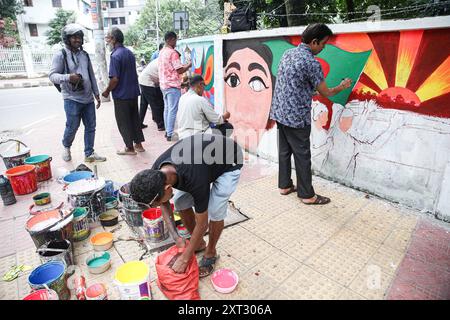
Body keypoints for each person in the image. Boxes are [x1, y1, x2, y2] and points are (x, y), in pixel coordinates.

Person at [129, 133, 243, 277]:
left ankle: (211, 252)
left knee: (215, 211)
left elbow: (203, 224)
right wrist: (176, 237)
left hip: (229, 159)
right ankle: (199, 243)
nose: (158, 206)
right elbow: (164, 203)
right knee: (180, 202)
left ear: (167, 188)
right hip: (205, 158)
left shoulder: (195, 178)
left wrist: (185, 258)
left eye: (155, 203)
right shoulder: (156, 172)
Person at [270, 23, 352, 204]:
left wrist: (309, 91)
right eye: (323, 44)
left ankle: (284, 185)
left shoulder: (288, 53)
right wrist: (343, 86)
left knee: (284, 151)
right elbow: (327, 92)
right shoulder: (311, 63)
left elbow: (295, 83)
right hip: (297, 118)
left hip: (279, 112)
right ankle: (307, 195)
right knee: (302, 155)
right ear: (314, 42)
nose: (323, 48)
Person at [49, 23, 106, 163]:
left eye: (79, 37)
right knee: (72, 126)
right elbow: (52, 76)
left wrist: (96, 93)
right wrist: (68, 77)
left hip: (88, 99)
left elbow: (91, 75)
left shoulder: (84, 55)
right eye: (74, 37)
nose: (78, 40)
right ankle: (66, 146)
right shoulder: (61, 55)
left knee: (91, 127)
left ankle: (89, 153)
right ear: (67, 38)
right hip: (71, 98)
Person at [102, 27, 145, 155]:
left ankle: (129, 148)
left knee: (123, 122)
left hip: (121, 95)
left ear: (114, 39)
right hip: (133, 93)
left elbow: (115, 79)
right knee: (134, 120)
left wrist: (106, 91)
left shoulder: (115, 56)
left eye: (108, 38)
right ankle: (138, 144)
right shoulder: (129, 53)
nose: (107, 41)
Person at [159, 31, 192, 141]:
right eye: (175, 40)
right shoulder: (173, 53)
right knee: (172, 110)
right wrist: (188, 65)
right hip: (172, 85)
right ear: (171, 40)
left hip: (164, 85)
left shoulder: (162, 52)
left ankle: (167, 131)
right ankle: (170, 134)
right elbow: (179, 69)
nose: (176, 42)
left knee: (167, 109)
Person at [177, 75, 232, 140]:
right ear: (200, 84)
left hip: (182, 136)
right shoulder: (200, 100)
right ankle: (213, 148)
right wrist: (226, 115)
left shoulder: (182, 98)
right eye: (204, 86)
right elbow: (217, 120)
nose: (204, 90)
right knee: (227, 126)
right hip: (198, 136)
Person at [138, 50, 164, 131]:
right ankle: (160, 124)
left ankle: (139, 123)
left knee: (144, 104)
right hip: (147, 82)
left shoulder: (160, 60)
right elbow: (163, 78)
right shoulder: (162, 62)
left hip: (144, 80)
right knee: (155, 103)